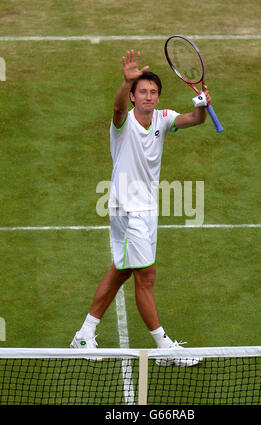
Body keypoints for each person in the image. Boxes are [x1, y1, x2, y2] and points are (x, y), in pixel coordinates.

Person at [70, 50, 211, 366]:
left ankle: (84, 334)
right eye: (142, 91)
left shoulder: (163, 118)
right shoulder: (122, 123)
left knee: (122, 270)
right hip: (127, 208)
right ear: (133, 96)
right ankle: (164, 349)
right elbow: (117, 107)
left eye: (153, 92)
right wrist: (125, 81)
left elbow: (194, 120)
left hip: (148, 209)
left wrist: (202, 105)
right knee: (145, 276)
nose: (148, 96)